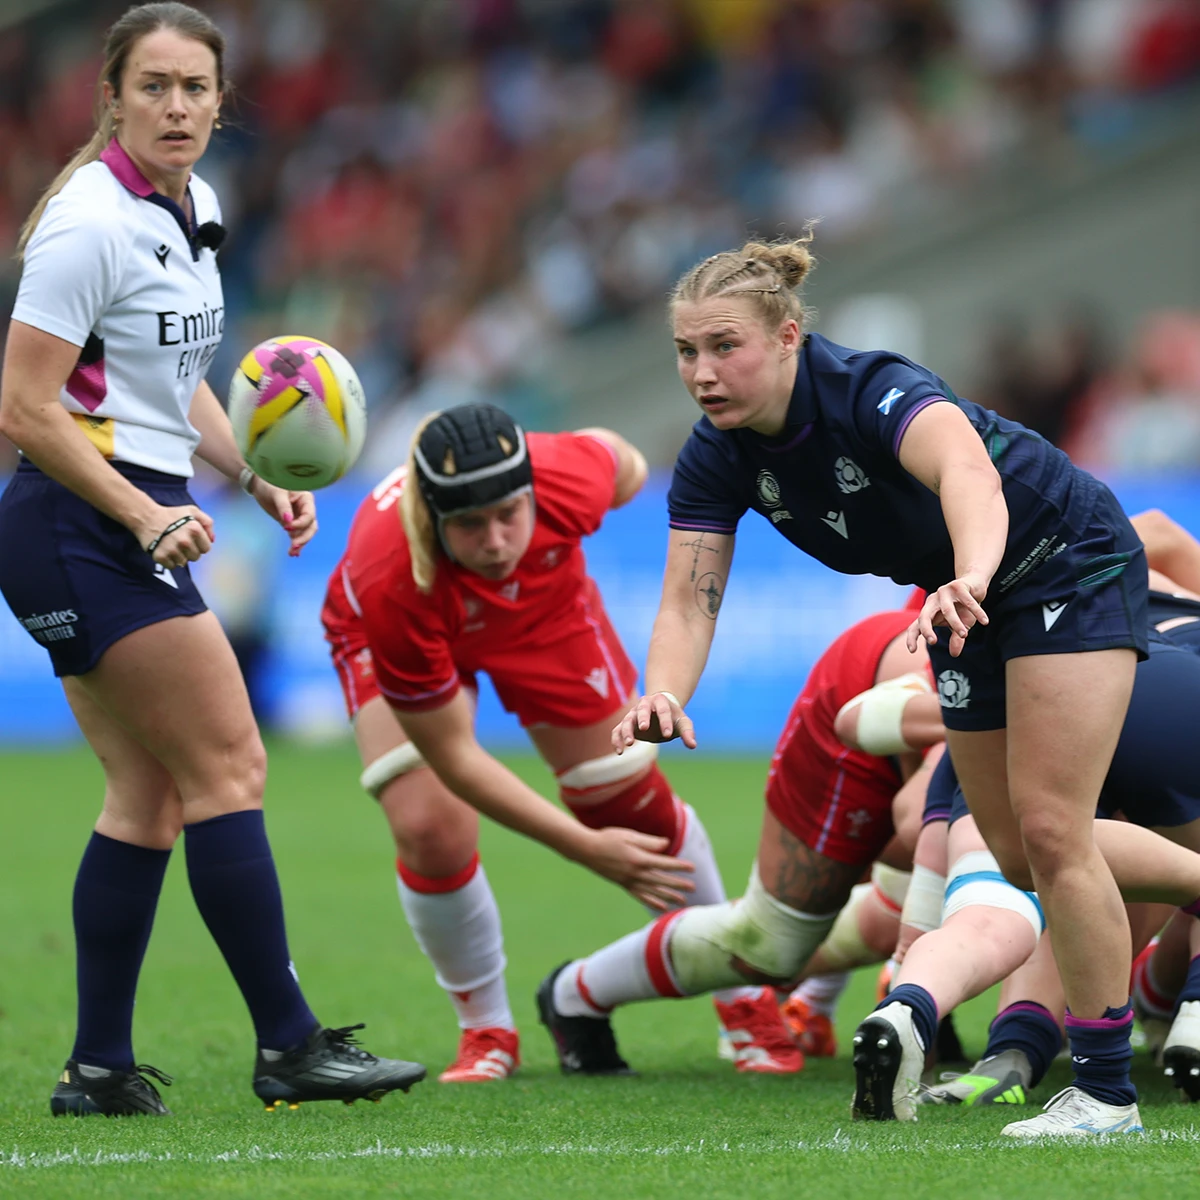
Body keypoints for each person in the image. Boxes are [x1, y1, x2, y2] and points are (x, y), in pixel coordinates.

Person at [590, 231, 1152, 1137]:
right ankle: (1182, 872)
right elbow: (689, 604)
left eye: (723, 345)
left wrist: (968, 577)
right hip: (962, 603)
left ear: (787, 338)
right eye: (686, 351)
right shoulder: (715, 454)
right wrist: (662, 690)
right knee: (1016, 854)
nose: (702, 371)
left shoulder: (870, 387)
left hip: (1063, 562)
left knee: (1052, 830)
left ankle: (1107, 1093)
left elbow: (968, 471)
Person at [0, 2, 424, 1116]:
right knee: (230, 768)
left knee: (146, 794)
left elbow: (170, 378)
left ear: (221, 101)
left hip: (108, 520)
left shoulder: (196, 207)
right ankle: (288, 1048)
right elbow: (24, 408)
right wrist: (144, 518)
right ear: (113, 97)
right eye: (154, 87)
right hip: (77, 524)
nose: (177, 106)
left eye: (195, 87)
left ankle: (96, 1070)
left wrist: (249, 471)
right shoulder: (88, 224)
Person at [321, 401, 790, 1083]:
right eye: (470, 523)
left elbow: (625, 462)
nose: (495, 540)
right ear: (431, 517)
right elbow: (454, 756)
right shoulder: (388, 574)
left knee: (629, 806)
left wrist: (606, 833)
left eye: (508, 513)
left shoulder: (567, 474)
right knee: (429, 826)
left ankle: (744, 1001)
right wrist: (584, 849)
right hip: (411, 622)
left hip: (543, 612)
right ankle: (486, 1031)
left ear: (532, 490)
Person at [533, 603, 941, 1076]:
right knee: (771, 942)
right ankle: (575, 991)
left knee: (970, 887)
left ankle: (997, 1025)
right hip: (861, 692)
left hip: (919, 705)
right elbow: (916, 825)